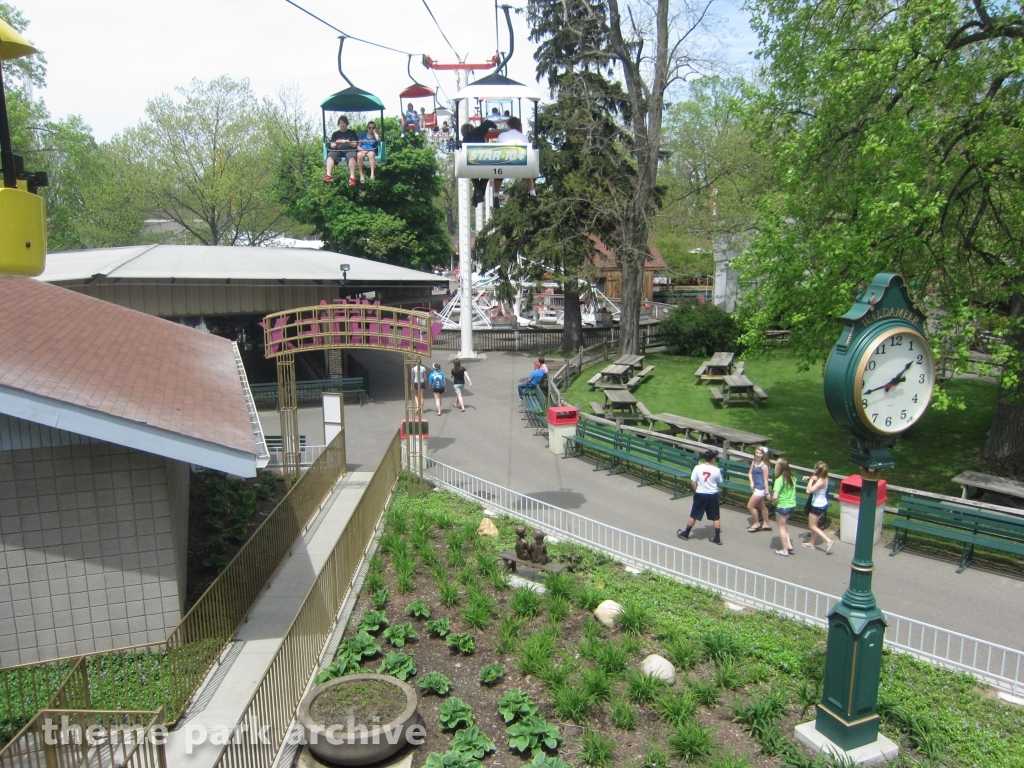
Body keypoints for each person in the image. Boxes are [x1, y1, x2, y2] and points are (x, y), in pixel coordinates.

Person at [678, 450, 723, 545]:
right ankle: (717, 537)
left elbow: (693, 482)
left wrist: (696, 490)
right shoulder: (716, 470)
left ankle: (686, 533)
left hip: (701, 494)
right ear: (713, 459)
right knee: (715, 516)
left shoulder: (697, 468)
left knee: (694, 514)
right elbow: (719, 481)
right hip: (712, 494)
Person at [492, 117, 536, 197]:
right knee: (528, 173)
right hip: (521, 164)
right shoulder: (524, 137)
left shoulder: (502, 135)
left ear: (508, 126)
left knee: (498, 172)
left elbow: (496, 150)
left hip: (505, 164)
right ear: (519, 127)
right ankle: (532, 192)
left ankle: (496, 194)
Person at [461, 120, 497, 205]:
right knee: (487, 174)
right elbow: (487, 123)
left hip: (471, 163)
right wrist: (495, 126)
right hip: (482, 159)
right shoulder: (477, 132)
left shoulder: (464, 140)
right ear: (470, 128)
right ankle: (477, 195)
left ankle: (477, 194)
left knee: (474, 178)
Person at [803, 462, 835, 554]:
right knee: (815, 525)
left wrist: (810, 480)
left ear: (818, 470)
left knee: (812, 526)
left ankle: (829, 541)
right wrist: (810, 478)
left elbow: (808, 491)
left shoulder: (821, 481)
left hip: (817, 505)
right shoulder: (824, 477)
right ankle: (811, 543)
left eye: (815, 468)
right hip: (821, 503)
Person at [772, 458, 797, 556]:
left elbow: (775, 496)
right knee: (784, 525)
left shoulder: (779, 480)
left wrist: (773, 502)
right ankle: (789, 545)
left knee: (781, 528)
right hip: (792, 505)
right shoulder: (793, 478)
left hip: (782, 506)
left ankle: (784, 550)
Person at [324, 116, 360, 185]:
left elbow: (355, 145)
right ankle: (328, 175)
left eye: (344, 123)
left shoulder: (352, 133)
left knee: (352, 156)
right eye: (340, 123)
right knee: (330, 155)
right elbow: (332, 146)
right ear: (338, 124)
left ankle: (352, 177)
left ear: (347, 124)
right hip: (338, 150)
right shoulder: (335, 134)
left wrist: (346, 142)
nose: (342, 124)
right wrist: (338, 143)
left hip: (349, 150)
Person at [746, 447, 772, 532]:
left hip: (760, 489)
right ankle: (766, 524)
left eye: (760, 453)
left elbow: (765, 480)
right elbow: (750, 473)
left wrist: (767, 492)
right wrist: (751, 482)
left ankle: (756, 523)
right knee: (762, 506)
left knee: (750, 506)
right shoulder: (754, 462)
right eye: (757, 453)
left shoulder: (764, 466)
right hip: (755, 487)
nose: (758, 455)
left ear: (764, 455)